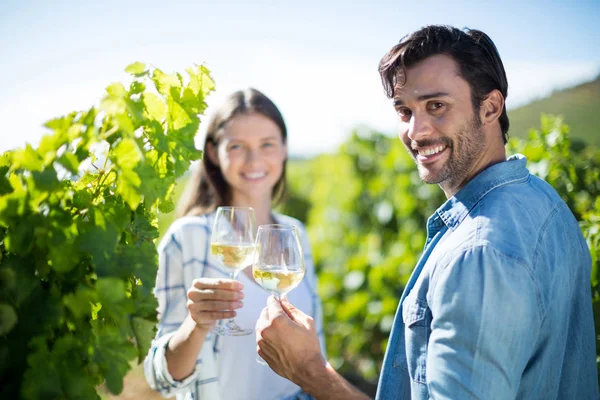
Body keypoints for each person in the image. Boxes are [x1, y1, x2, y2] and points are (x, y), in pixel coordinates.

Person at [255, 25, 599, 399]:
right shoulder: (543, 202)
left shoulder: (479, 252)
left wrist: (310, 373)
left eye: (436, 105)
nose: (416, 131)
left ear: (490, 106)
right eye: (405, 111)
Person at [144, 88, 325, 400]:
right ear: (214, 153)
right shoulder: (187, 238)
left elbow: (316, 352)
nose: (254, 160)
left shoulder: (295, 233)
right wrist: (196, 326)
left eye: (267, 144)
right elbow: (161, 378)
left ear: (283, 148)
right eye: (238, 146)